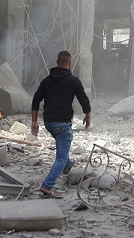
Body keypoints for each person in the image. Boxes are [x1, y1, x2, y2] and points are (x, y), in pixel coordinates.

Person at [31, 50, 91, 199]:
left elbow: (36, 99)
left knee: (63, 151)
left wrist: (34, 121)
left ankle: (67, 165)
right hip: (62, 124)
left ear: (57, 63)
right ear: (69, 64)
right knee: (61, 157)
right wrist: (88, 114)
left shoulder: (46, 80)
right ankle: (47, 186)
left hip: (49, 123)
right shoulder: (74, 81)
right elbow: (83, 99)